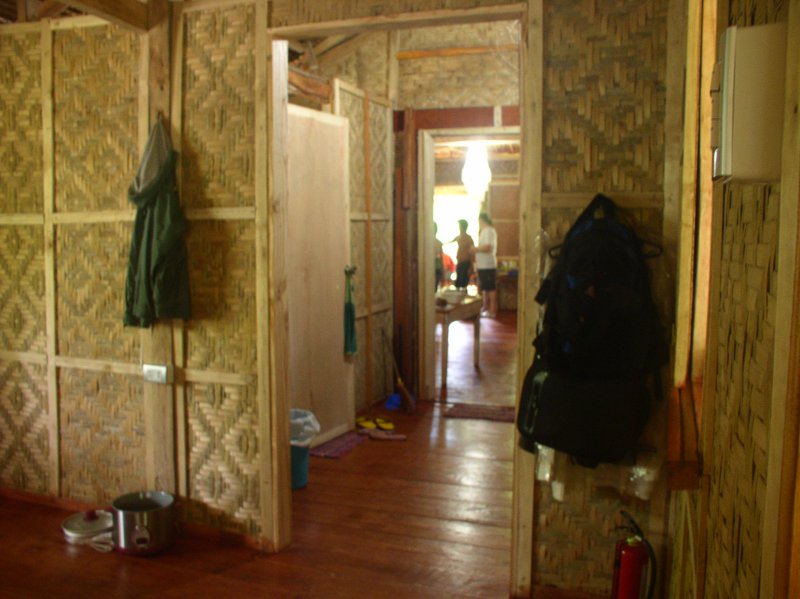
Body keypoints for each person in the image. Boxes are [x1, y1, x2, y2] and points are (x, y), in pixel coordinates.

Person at [473, 212, 498, 317]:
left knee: (490, 287)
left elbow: (488, 248)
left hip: (488, 264)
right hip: (484, 265)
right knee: (485, 288)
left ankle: (492, 310)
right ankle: (485, 307)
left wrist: (474, 249)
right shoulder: (486, 230)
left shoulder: (488, 231)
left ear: (481, 220)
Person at [452, 219, 475, 290]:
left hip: (466, 263)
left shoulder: (468, 238)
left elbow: (472, 253)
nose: (459, 228)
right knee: (458, 283)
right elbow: (451, 241)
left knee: (463, 283)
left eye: (460, 226)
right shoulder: (459, 237)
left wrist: (471, 266)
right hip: (459, 262)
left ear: (463, 227)